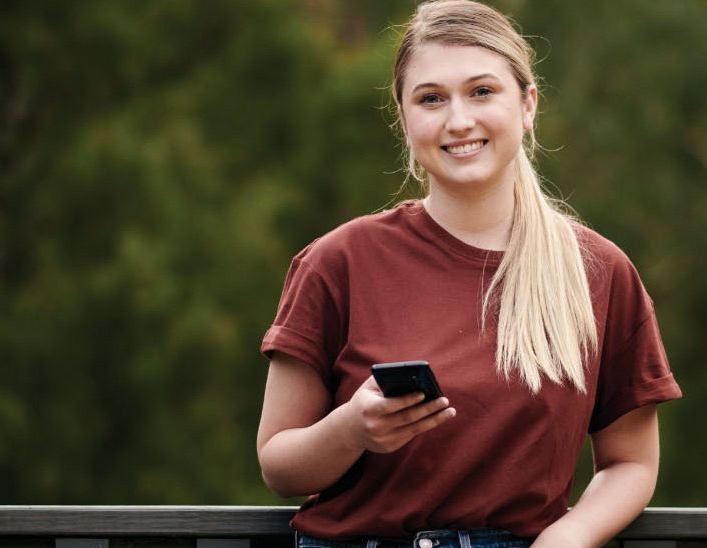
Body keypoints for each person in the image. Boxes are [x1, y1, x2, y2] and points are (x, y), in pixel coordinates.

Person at [256, 1, 682, 546]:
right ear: (404, 119)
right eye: (431, 99)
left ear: (528, 105)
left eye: (482, 92)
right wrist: (351, 430)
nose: (458, 120)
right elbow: (279, 467)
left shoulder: (599, 273)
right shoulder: (337, 262)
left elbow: (632, 465)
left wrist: (565, 540)